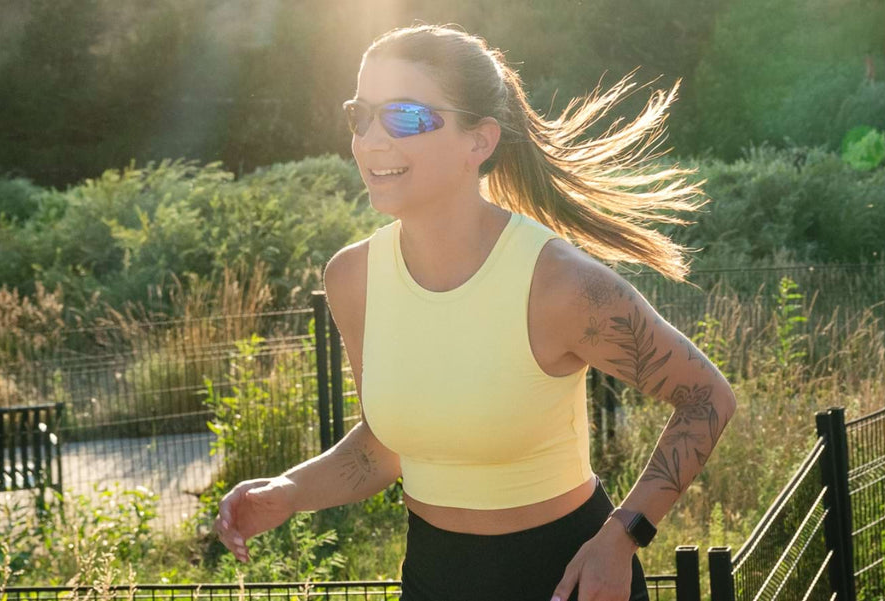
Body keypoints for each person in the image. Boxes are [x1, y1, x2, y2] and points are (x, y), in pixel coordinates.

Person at [215, 24, 737, 601]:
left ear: (479, 141)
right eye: (360, 115)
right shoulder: (352, 278)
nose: (370, 141)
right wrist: (289, 491)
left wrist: (622, 537)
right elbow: (385, 446)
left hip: (568, 580)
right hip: (433, 576)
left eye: (407, 117)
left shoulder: (559, 284)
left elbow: (706, 397)